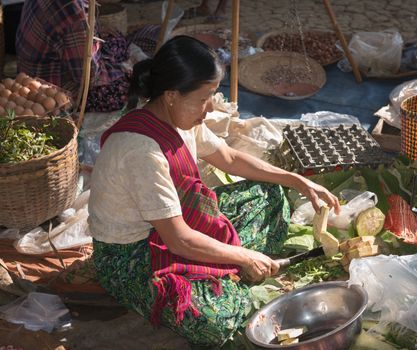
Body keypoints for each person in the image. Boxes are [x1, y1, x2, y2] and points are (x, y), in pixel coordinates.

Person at [87, 35, 340, 347]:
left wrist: (299, 180)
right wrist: (244, 256)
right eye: (203, 99)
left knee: (270, 194)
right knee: (213, 322)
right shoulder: (141, 151)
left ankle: (224, 266)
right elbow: (177, 239)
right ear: (170, 95)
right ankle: (229, 271)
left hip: (172, 228)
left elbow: (229, 158)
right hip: (133, 255)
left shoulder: (180, 117)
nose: (208, 109)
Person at [15, 0, 156, 112]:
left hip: (29, 70)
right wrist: (124, 70)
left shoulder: (77, 10)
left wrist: (96, 35)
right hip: (49, 87)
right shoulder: (76, 14)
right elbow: (88, 77)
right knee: (128, 87)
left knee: (118, 41)